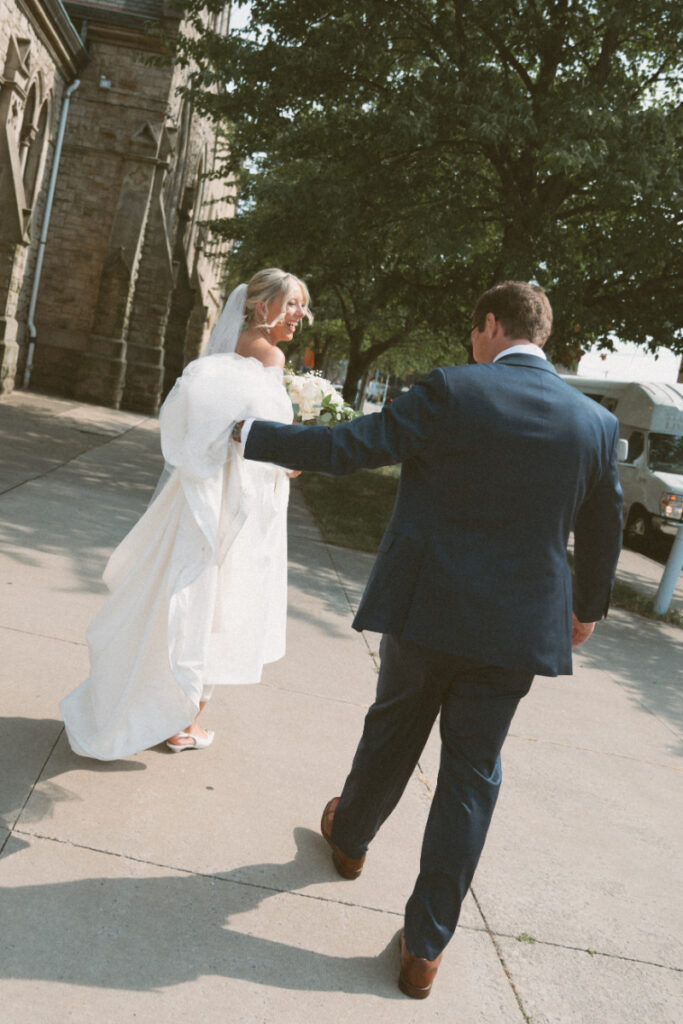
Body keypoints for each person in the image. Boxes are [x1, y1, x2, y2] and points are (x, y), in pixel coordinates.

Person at [237, 281, 623, 998]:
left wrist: (249, 434)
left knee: (395, 727)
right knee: (471, 776)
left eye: (473, 331)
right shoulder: (595, 425)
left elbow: (351, 448)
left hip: (427, 607)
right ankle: (425, 948)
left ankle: (349, 840)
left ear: (488, 325)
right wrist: (586, 607)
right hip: (514, 630)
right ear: (539, 336)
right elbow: (604, 525)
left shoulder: (451, 389)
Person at [60, 268, 311, 759]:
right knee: (215, 600)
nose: (300, 315)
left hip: (202, 494)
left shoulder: (227, 349)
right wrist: (296, 463)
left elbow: (216, 425)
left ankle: (166, 708)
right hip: (236, 502)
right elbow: (268, 438)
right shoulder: (270, 355)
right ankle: (183, 721)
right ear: (262, 306)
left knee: (186, 593)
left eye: (303, 305)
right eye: (292, 304)